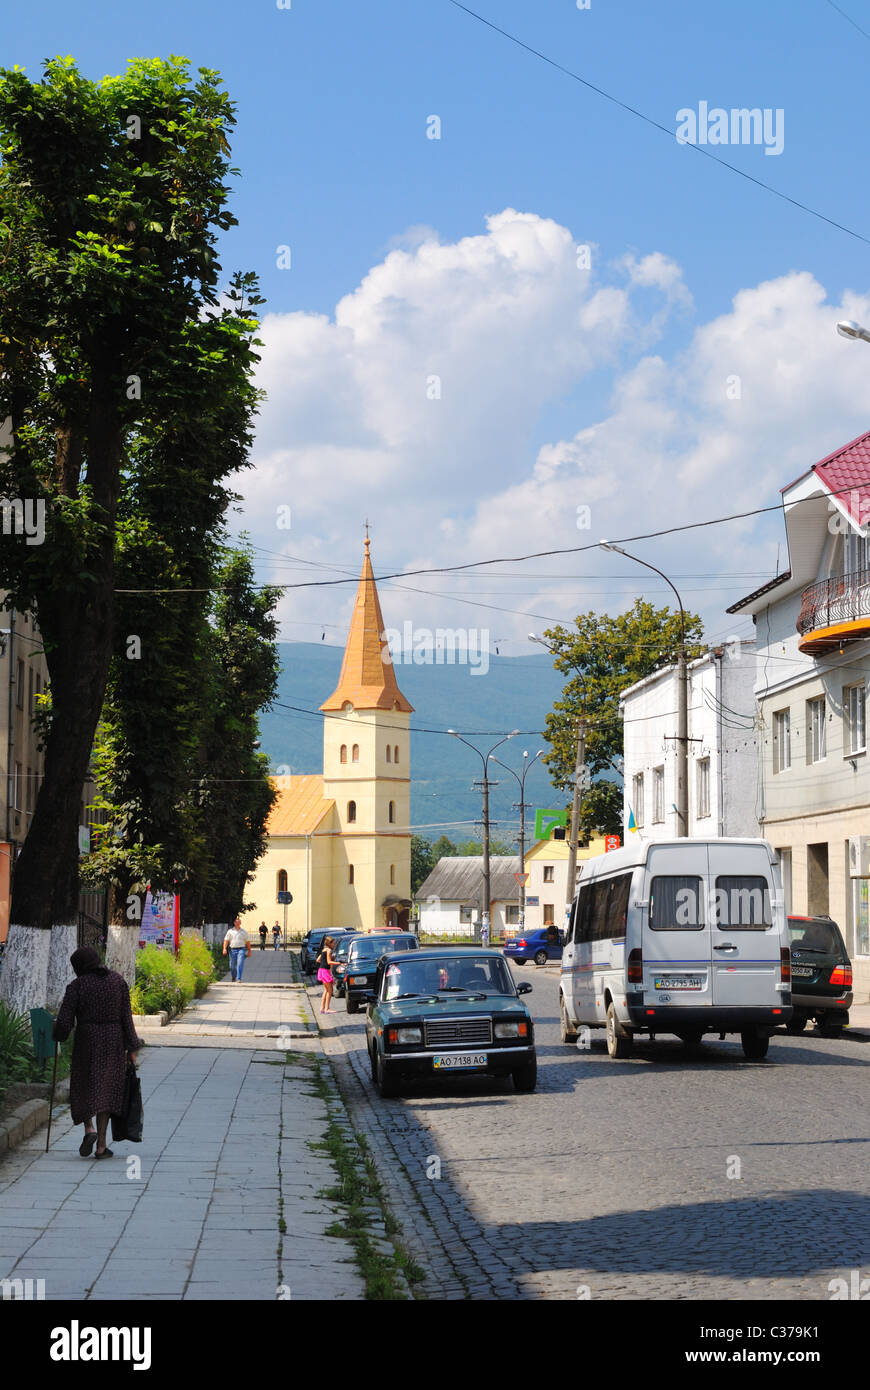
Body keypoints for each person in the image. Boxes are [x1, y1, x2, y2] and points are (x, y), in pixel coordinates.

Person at [52, 947, 142, 1160]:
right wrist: (132, 1047)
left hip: (87, 1040)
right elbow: (126, 1018)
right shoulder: (118, 982)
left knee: (85, 1086)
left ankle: (89, 1128)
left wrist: (57, 1034)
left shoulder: (77, 986)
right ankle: (101, 1145)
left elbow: (64, 1022)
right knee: (107, 1091)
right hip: (113, 1041)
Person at [317, 935, 337, 1014]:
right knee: (330, 990)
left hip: (321, 970)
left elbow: (318, 960)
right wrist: (339, 963)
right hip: (325, 971)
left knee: (326, 990)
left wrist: (323, 963)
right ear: (329, 943)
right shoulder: (329, 950)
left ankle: (322, 1008)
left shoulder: (324, 950)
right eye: (333, 943)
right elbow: (329, 962)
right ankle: (327, 1008)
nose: (334, 944)